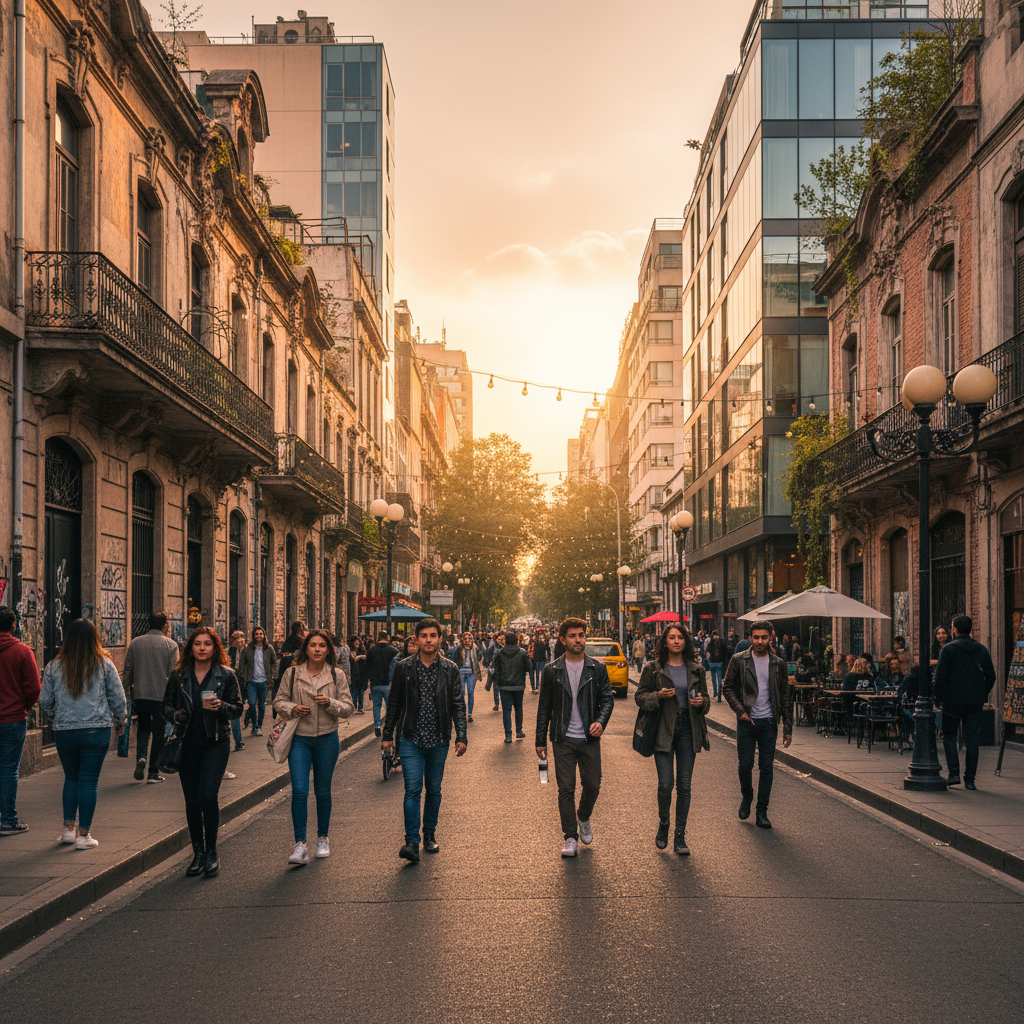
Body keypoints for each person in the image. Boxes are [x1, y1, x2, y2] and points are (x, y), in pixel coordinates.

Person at [382, 618, 467, 863]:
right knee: (412, 789)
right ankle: (411, 841)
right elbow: (395, 703)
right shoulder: (404, 667)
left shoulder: (450, 669)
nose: (428, 640)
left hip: (439, 739)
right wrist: (388, 735)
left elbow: (457, 705)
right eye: (424, 636)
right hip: (411, 738)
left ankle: (429, 834)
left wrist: (461, 736)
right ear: (416, 639)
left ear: (440, 639)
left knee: (434, 790)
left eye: (433, 635)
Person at [39, 619, 126, 850]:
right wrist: (120, 720)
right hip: (96, 730)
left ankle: (68, 830)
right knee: (89, 781)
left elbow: (45, 701)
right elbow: (118, 697)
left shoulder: (53, 666)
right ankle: (84, 835)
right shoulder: (105, 664)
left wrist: (55, 718)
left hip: (64, 730)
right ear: (94, 638)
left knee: (71, 778)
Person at [162, 626, 242, 877]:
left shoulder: (226, 675)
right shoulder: (179, 676)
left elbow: (238, 708)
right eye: (197, 643)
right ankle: (197, 852)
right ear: (190, 647)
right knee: (192, 801)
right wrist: (176, 715)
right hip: (187, 744)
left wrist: (220, 707)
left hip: (215, 742)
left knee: (208, 796)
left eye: (207, 643)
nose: (202, 648)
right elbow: (165, 706)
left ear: (215, 647)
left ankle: (212, 851)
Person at [536, 617, 615, 858]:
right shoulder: (552, 670)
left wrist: (600, 722)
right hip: (563, 738)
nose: (578, 640)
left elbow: (607, 700)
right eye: (572, 636)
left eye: (581, 635)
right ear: (562, 640)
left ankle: (583, 816)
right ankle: (570, 837)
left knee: (593, 784)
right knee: (565, 789)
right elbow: (544, 707)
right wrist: (540, 740)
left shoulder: (597, 668)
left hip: (589, 739)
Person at [274, 628, 354, 864]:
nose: (317, 649)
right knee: (299, 791)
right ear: (305, 649)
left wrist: (329, 703)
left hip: (327, 739)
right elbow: (278, 701)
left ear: (328, 649)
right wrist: (292, 709)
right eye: (313, 645)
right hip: (299, 738)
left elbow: (348, 707)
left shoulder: (336, 675)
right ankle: (300, 844)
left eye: (322, 646)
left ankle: (322, 838)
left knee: (323, 791)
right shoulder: (292, 673)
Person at [634, 623, 710, 855]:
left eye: (680, 638)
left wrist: (701, 702)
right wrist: (657, 695)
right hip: (664, 728)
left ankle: (680, 836)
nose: (676, 641)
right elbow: (640, 697)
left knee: (684, 786)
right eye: (672, 638)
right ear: (664, 642)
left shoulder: (697, 670)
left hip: (688, 728)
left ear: (685, 642)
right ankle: (664, 823)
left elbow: (705, 700)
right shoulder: (653, 669)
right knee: (666, 784)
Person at [722, 620, 792, 830]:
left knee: (766, 767)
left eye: (764, 637)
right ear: (750, 638)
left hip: (769, 723)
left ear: (770, 637)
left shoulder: (778, 663)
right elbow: (727, 688)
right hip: (747, 722)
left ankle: (762, 812)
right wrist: (740, 711)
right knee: (745, 765)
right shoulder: (738, 660)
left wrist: (787, 729)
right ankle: (747, 796)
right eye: (756, 637)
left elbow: (786, 697)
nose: (760, 641)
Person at [934, 615, 996, 790]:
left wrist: (938, 698)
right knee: (972, 740)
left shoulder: (948, 649)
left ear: (954, 629)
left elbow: (940, 678)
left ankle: (953, 774)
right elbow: (991, 676)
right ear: (970, 629)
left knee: (949, 736)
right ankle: (970, 779)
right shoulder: (981, 649)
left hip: (952, 700)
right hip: (974, 701)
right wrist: (981, 693)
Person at [123, 611, 179, 782]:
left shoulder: (136, 643)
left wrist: (127, 689)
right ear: (165, 625)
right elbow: (174, 673)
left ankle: (141, 757)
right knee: (159, 732)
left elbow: (128, 668)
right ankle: (153, 772)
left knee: (143, 727)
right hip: (161, 695)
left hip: (141, 694)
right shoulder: (171, 645)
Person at [0, 607, 41, 835]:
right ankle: (8, 819)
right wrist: (23, 706)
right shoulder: (23, 652)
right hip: (13, 719)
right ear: (13, 625)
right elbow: (34, 688)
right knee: (8, 769)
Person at [237, 626, 277, 740]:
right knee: (252, 703)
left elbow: (274, 663)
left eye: (261, 634)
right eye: (256, 634)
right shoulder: (247, 649)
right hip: (252, 681)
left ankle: (259, 726)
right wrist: (244, 677)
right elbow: (242, 664)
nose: (259, 636)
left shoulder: (269, 648)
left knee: (262, 706)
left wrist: (272, 675)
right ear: (253, 636)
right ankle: (254, 725)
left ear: (264, 635)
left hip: (264, 681)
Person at [492, 630, 531, 743]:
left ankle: (508, 735)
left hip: (504, 686)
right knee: (518, 708)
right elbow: (528, 667)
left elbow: (495, 667)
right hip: (518, 685)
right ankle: (519, 730)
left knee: (506, 711)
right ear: (517, 641)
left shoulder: (499, 653)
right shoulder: (522, 653)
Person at [273, 622, 307, 711]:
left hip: (285, 667)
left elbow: (282, 654)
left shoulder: (287, 641)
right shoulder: (300, 641)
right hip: (296, 669)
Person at [450, 631, 482, 724]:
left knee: (471, 691)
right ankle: (462, 712)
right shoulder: (458, 649)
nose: (468, 640)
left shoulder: (474, 648)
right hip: (461, 673)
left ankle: (470, 714)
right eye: (466, 639)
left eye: (470, 638)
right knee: (462, 692)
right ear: (463, 640)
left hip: (471, 673)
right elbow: (454, 659)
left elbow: (480, 656)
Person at [366, 632, 397, 722]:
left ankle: (377, 725)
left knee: (376, 706)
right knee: (389, 706)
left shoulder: (371, 651)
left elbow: (367, 667)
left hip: (375, 683)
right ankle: (388, 724)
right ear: (387, 637)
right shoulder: (393, 651)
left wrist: (368, 680)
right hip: (388, 684)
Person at [705, 630, 726, 702]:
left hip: (712, 663)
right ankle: (719, 692)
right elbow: (725, 652)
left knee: (713, 678)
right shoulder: (722, 642)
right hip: (719, 662)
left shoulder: (711, 643)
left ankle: (715, 692)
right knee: (719, 678)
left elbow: (707, 651)